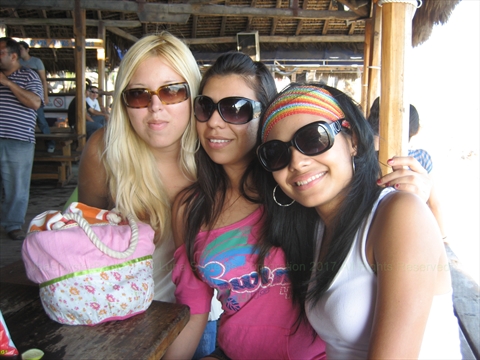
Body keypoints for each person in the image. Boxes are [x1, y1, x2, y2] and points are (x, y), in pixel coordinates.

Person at [257, 82, 461, 359]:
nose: (297, 162)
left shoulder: (399, 213)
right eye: (277, 153)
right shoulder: (315, 229)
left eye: (313, 139)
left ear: (352, 140)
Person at [164, 52, 326, 359]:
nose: (213, 122)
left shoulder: (300, 189)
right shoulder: (190, 208)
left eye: (235, 110)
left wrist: (411, 190)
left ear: (266, 116)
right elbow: (194, 309)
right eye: (205, 107)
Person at [77, 32, 221, 358]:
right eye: (140, 96)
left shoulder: (215, 153)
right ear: (124, 102)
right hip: (120, 318)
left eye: (172, 92)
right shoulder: (103, 151)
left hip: (201, 318)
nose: (156, 107)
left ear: (193, 95)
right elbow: (83, 244)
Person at [368, 97, 446, 240]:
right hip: (411, 234)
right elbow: (435, 204)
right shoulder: (421, 159)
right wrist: (443, 238)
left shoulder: (355, 157)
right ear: (415, 130)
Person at [0, 37, 43, 240]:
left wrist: (8, 83)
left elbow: (35, 103)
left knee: (16, 186)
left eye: (0, 53)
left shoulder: (29, 76)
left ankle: (13, 224)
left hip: (18, 139)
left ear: (13, 56)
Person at [18, 40, 55, 153]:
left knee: (41, 121)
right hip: (20, 96)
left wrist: (45, 96)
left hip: (35, 95)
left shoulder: (36, 61)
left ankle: (50, 144)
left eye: (21, 49)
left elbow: (43, 80)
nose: (20, 52)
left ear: (27, 49)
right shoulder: (17, 62)